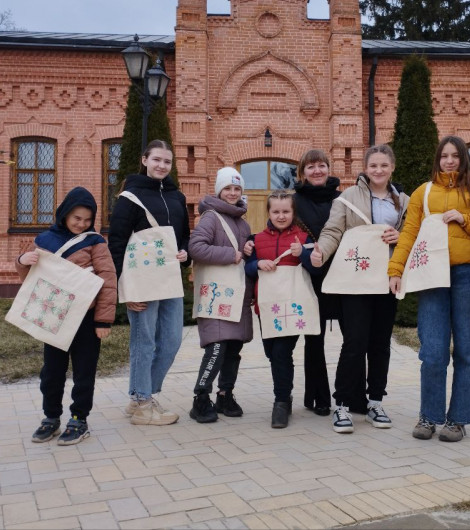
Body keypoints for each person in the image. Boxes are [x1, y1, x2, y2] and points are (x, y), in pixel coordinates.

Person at [389, 136, 470, 442]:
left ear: (464, 159)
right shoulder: (422, 193)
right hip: (432, 276)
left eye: (455, 156)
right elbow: (409, 233)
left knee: (466, 350)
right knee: (433, 350)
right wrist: (396, 269)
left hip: (467, 275)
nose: (450, 161)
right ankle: (429, 416)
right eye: (444, 156)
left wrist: (466, 220)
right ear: (437, 160)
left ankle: (458, 420)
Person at [312, 144, 409, 433]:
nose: (378, 170)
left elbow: (414, 235)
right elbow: (332, 231)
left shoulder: (403, 200)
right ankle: (341, 404)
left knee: (380, 344)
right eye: (373, 166)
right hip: (355, 281)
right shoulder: (348, 197)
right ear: (365, 169)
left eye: (383, 165)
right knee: (354, 342)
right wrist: (321, 253)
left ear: (392, 167)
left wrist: (400, 236)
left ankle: (375, 401)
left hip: (389, 279)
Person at [17, 186, 117, 445]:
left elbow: (108, 279)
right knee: (52, 371)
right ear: (64, 215)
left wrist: (103, 320)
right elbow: (32, 280)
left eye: (86, 220)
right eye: (76, 219)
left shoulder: (95, 242)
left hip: (86, 318)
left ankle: (79, 419)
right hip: (55, 316)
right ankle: (51, 417)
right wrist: (21, 261)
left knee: (84, 371)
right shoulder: (45, 240)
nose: (81, 224)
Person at [108, 140, 190, 426]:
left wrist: (185, 252)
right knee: (144, 342)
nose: (161, 166)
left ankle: (140, 395)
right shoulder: (129, 196)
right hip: (141, 281)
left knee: (171, 340)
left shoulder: (177, 197)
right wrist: (123, 289)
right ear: (144, 160)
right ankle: (143, 402)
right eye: (156, 160)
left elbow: (184, 236)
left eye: (167, 162)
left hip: (169, 278)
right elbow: (116, 243)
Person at [245, 190, 320, 428]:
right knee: (271, 354)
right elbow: (247, 268)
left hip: (292, 307)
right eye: (276, 211)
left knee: (281, 353)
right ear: (268, 212)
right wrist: (256, 263)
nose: (280, 216)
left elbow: (317, 271)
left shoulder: (303, 238)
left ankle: (280, 402)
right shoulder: (256, 240)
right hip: (266, 308)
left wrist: (304, 255)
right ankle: (285, 394)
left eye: (286, 211)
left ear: (293, 212)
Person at [188, 167, 254, 423]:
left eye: (237, 189)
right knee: (216, 348)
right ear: (219, 190)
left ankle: (225, 394)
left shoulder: (242, 222)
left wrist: (247, 249)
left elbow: (241, 257)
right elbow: (196, 248)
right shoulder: (210, 217)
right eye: (228, 188)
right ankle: (200, 398)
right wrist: (232, 255)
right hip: (216, 296)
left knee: (233, 349)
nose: (233, 193)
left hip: (237, 296)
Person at [292, 149, 341, 416]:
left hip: (344, 276)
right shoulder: (295, 201)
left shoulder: (342, 199)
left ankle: (351, 394)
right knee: (314, 340)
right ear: (302, 172)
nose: (317, 171)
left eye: (322, 165)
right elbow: (280, 225)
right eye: (311, 167)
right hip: (310, 276)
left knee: (354, 339)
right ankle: (318, 397)